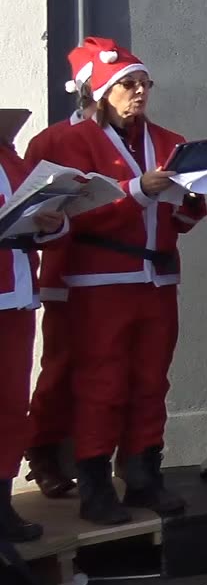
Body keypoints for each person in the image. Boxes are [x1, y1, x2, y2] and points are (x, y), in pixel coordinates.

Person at [52, 39, 206, 525]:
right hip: (100, 279)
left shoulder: (167, 140)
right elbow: (65, 214)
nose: (139, 92)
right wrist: (137, 190)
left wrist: (190, 202)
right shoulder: (62, 143)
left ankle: (143, 473)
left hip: (157, 277)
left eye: (144, 84)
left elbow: (178, 217)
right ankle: (95, 483)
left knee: (150, 380)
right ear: (98, 90)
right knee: (102, 381)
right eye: (127, 84)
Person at [21, 39, 107, 499]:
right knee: (61, 366)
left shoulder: (136, 138)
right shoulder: (52, 140)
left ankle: (101, 459)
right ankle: (43, 450)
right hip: (68, 270)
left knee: (109, 371)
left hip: (120, 273)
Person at [0, 134, 69, 540]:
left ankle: (3, 508)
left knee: (10, 407)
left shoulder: (10, 157)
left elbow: (45, 223)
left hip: (17, 294)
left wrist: (53, 222)